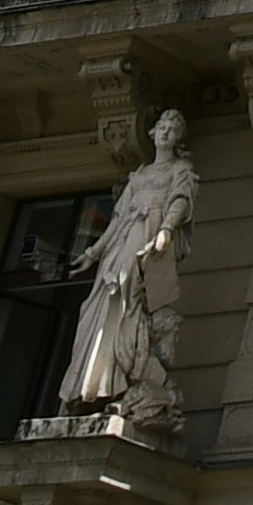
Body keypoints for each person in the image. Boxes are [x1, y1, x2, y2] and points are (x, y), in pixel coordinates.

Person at [57, 111, 200, 432]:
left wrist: (164, 230)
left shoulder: (181, 170)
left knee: (125, 297)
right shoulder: (138, 176)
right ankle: (90, 383)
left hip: (149, 240)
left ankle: (116, 379)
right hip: (124, 239)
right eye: (162, 127)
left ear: (179, 138)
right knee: (96, 305)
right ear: (152, 133)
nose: (166, 132)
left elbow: (180, 202)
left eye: (173, 128)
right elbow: (118, 220)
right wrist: (94, 252)